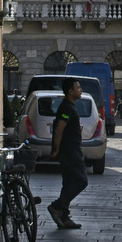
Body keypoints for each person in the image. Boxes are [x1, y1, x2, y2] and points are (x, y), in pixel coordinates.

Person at [46, 78, 86, 229]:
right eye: (78, 87)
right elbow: (58, 130)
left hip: (71, 149)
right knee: (81, 181)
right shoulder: (66, 108)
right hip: (70, 151)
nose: (80, 89)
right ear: (70, 91)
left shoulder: (68, 107)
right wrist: (56, 149)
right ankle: (57, 206)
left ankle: (64, 216)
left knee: (69, 183)